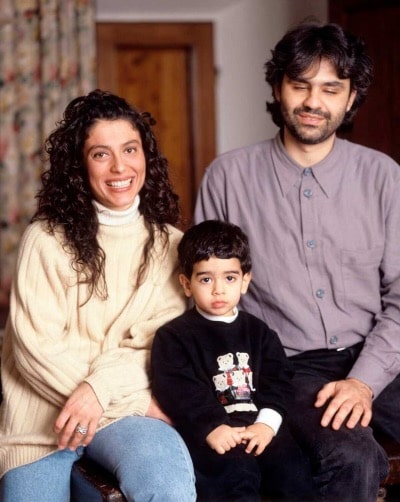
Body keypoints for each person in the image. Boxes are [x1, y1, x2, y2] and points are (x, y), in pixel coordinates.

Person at [194, 21, 400, 501]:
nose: (314, 102)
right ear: (277, 88)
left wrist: (363, 382)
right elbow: (212, 303)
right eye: (300, 84)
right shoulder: (228, 177)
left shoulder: (384, 178)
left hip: (382, 354)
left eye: (332, 89)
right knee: (353, 456)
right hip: (288, 367)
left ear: (350, 99)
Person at [0, 89, 196, 502]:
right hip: (39, 424)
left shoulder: (173, 247)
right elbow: (35, 349)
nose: (120, 166)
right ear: (79, 165)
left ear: (147, 157)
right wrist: (122, 398)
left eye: (130, 149)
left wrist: (99, 391)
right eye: (100, 154)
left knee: (168, 486)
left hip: (126, 417)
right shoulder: (45, 239)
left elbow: (157, 346)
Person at [151, 219, 312, 501]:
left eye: (229, 278)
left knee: (294, 473)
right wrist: (211, 426)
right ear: (186, 284)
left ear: (245, 280)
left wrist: (267, 425)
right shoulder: (174, 336)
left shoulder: (259, 332)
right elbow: (178, 390)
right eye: (205, 279)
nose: (218, 289)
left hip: (258, 426)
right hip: (212, 432)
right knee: (234, 478)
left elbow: (279, 381)